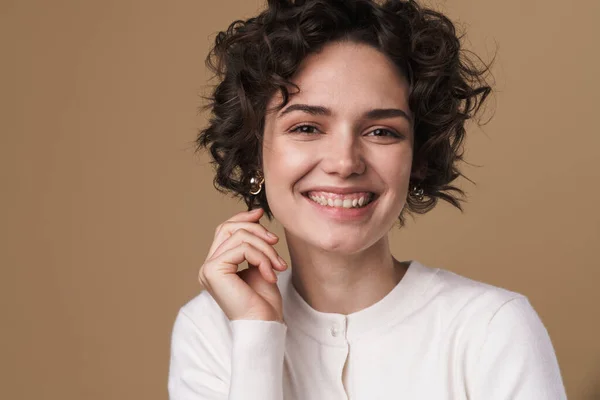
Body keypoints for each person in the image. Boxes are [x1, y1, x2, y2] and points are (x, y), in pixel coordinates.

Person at [168, 0, 567, 398]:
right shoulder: (211, 329)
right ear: (254, 151)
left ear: (417, 158)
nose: (344, 162)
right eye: (307, 127)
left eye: (381, 132)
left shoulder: (492, 329)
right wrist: (256, 334)